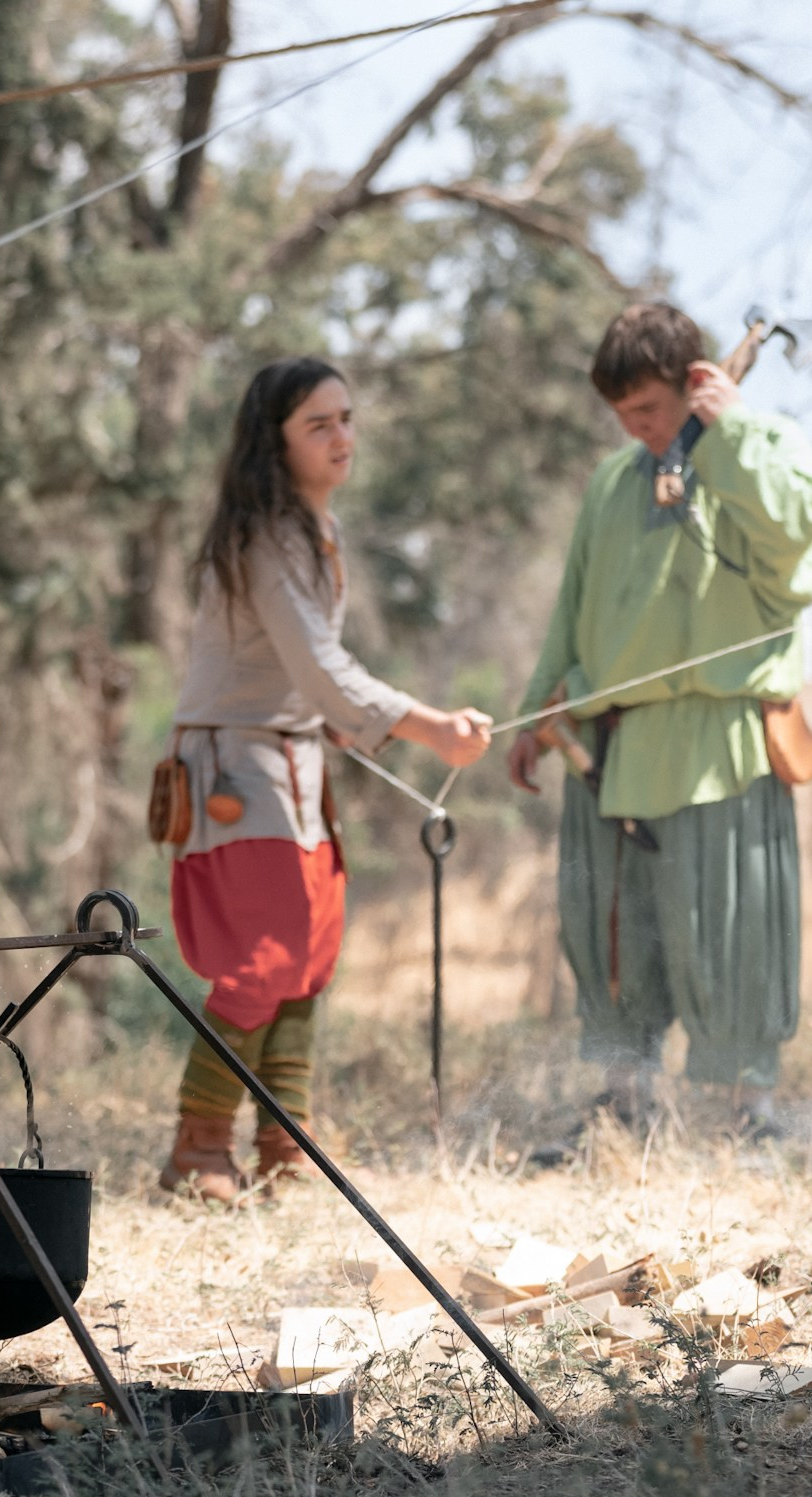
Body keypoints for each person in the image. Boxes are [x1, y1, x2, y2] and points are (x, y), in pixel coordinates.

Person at [161, 357, 492, 1202]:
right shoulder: (262, 538)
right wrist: (430, 727)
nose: (343, 437)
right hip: (238, 770)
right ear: (274, 443)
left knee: (307, 958)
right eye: (320, 423)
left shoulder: (313, 530)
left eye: (347, 418)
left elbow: (318, 688)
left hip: (293, 766)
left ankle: (284, 1149)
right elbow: (322, 669)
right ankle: (199, 1151)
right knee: (263, 959)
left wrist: (374, 723)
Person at [508, 304, 812, 1139]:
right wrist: (536, 714)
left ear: (695, 385)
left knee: (730, 931)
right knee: (613, 938)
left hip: (717, 737)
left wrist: (727, 436)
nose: (636, 429)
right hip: (608, 747)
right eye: (621, 415)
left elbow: (795, 542)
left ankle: (747, 1114)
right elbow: (572, 609)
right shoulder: (614, 481)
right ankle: (627, 1108)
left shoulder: (763, 446)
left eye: (647, 410)